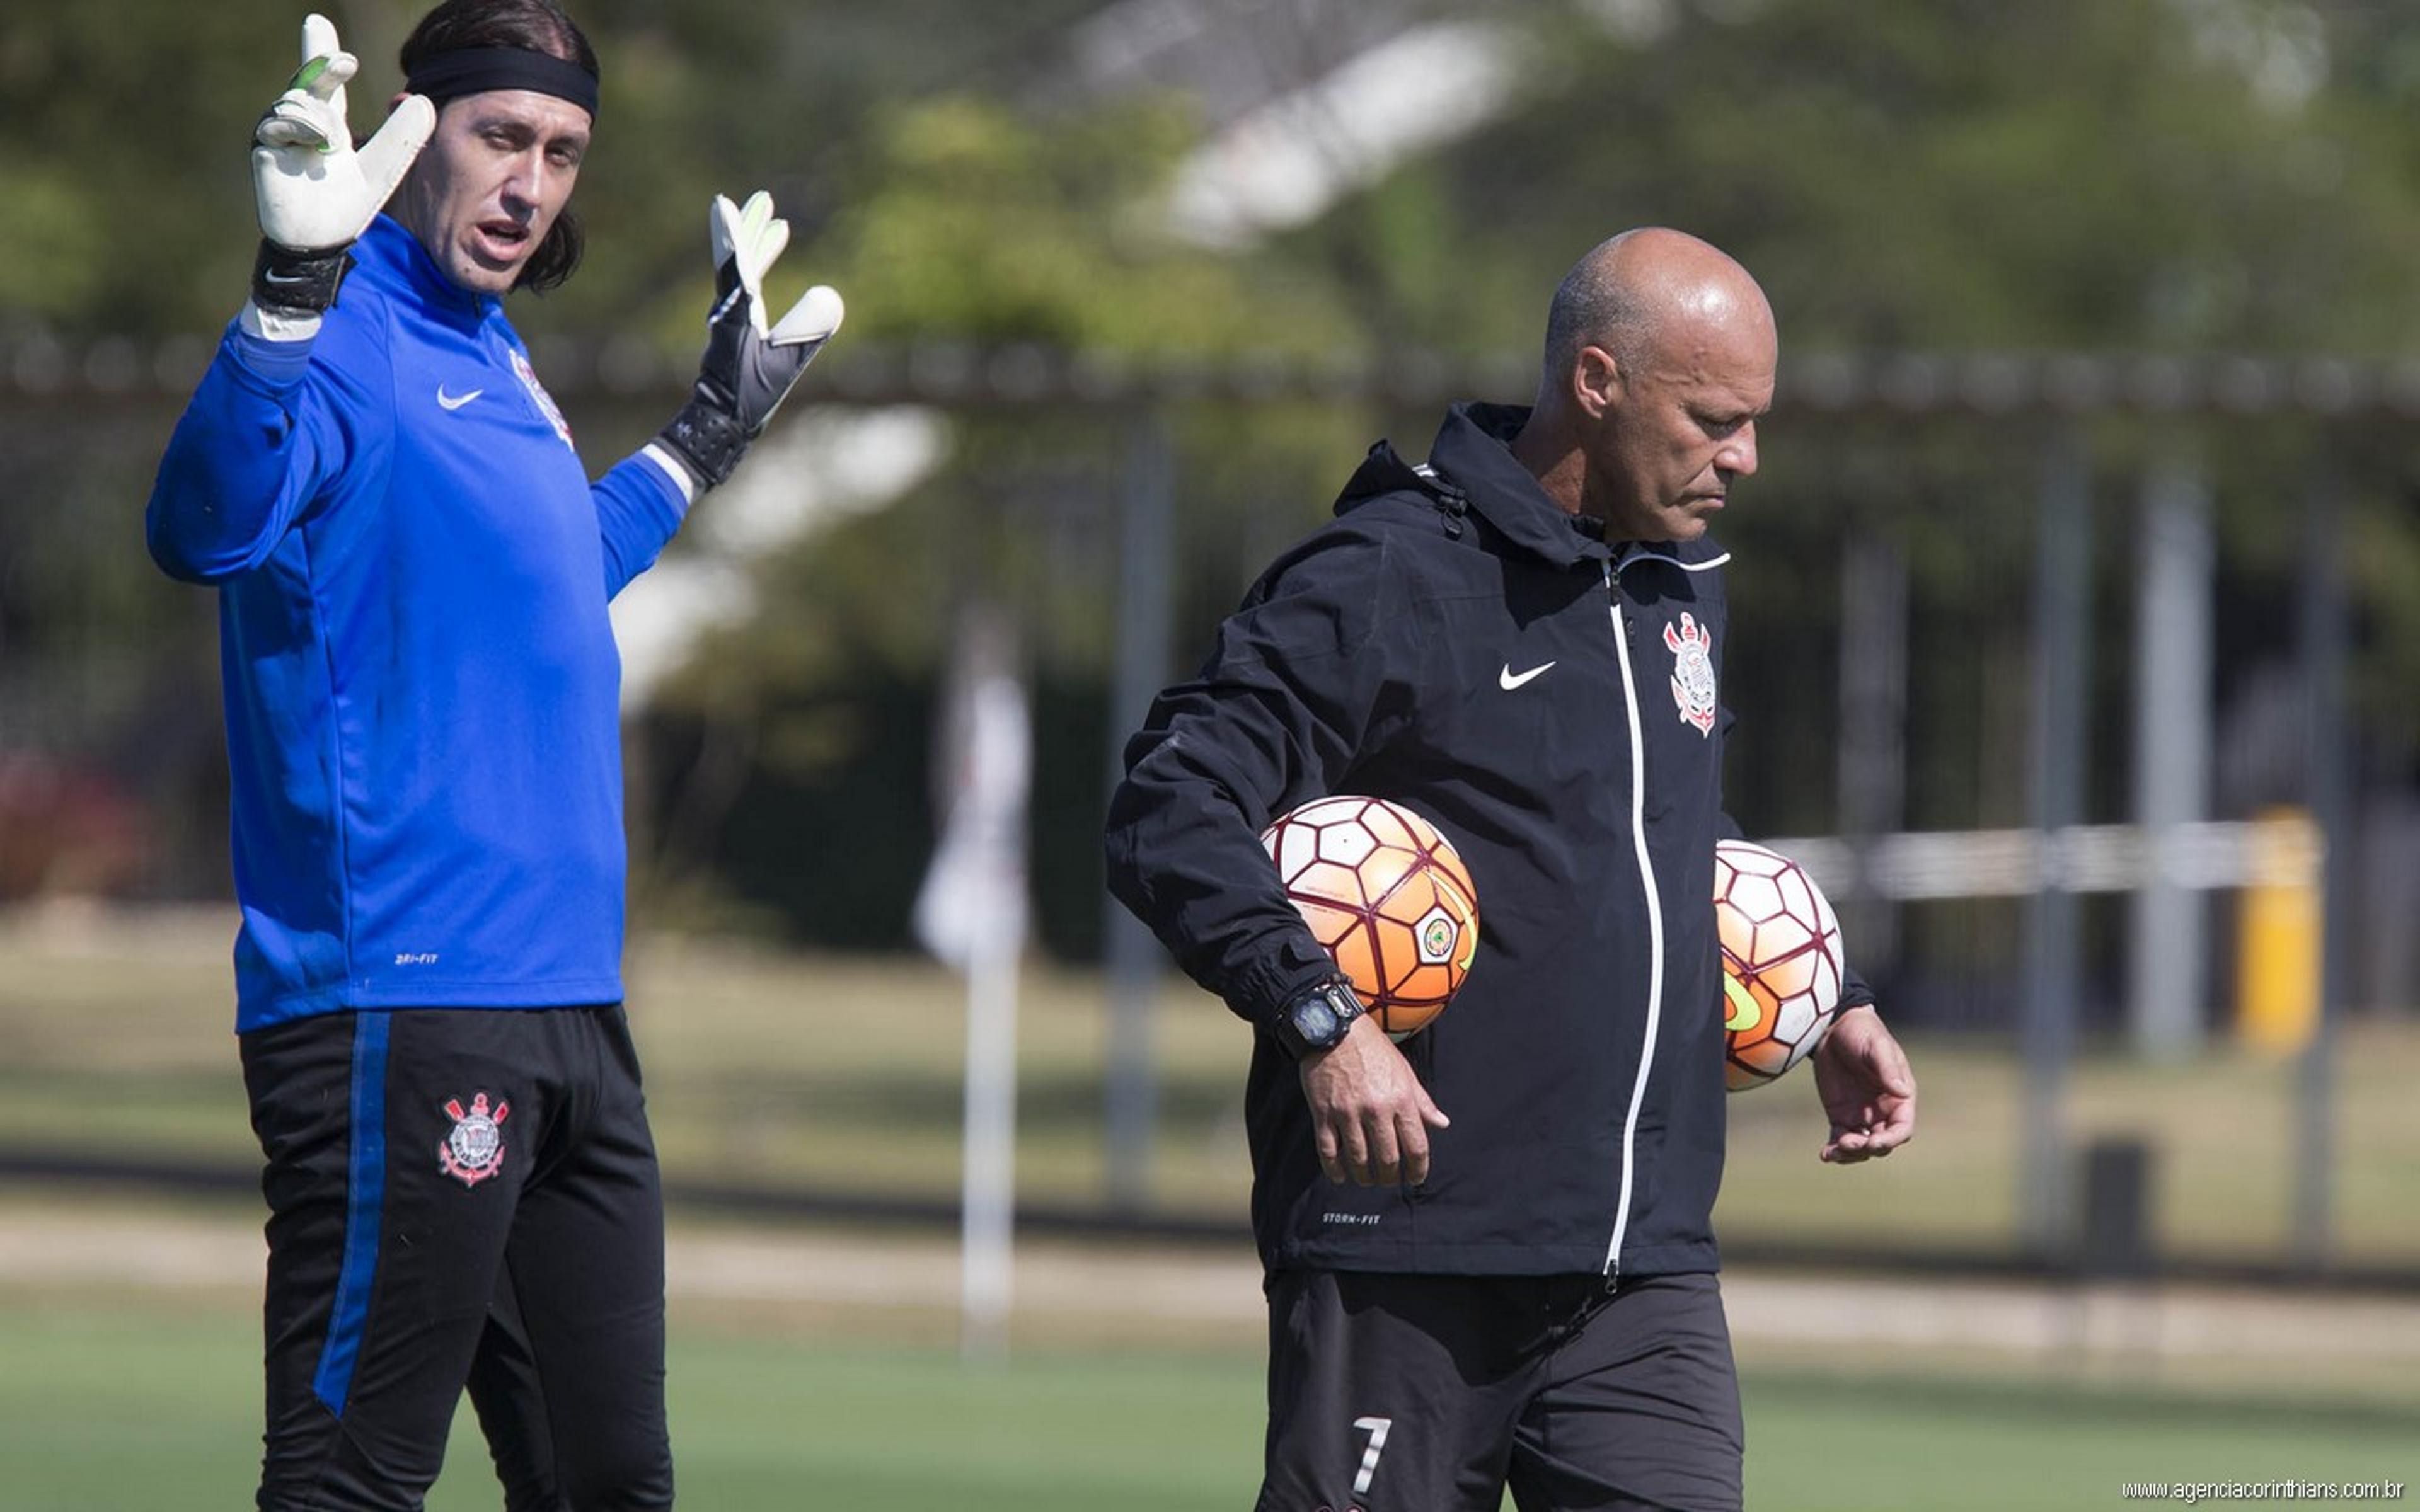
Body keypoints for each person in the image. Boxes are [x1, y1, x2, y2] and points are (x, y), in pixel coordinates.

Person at [146, 3, 841, 1506]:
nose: (530, 184)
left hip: (569, 1010)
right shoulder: (340, 336)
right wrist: (281, 294)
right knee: (348, 1483)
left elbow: (545, 576)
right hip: (406, 1006)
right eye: (501, 138)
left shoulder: (494, 348)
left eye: (564, 152)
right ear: (415, 137)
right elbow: (196, 530)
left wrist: (704, 440)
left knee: (608, 1487)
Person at [1104, 228, 1916, 1512]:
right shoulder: (1383, 577)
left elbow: (1656, 813)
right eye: (1714, 419)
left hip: (1640, 1270)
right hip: (1409, 1254)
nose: (1745, 458)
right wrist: (1322, 1021)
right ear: (1598, 381)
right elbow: (1168, 804)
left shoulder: (1676, 579)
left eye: (1755, 423)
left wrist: (1834, 994)